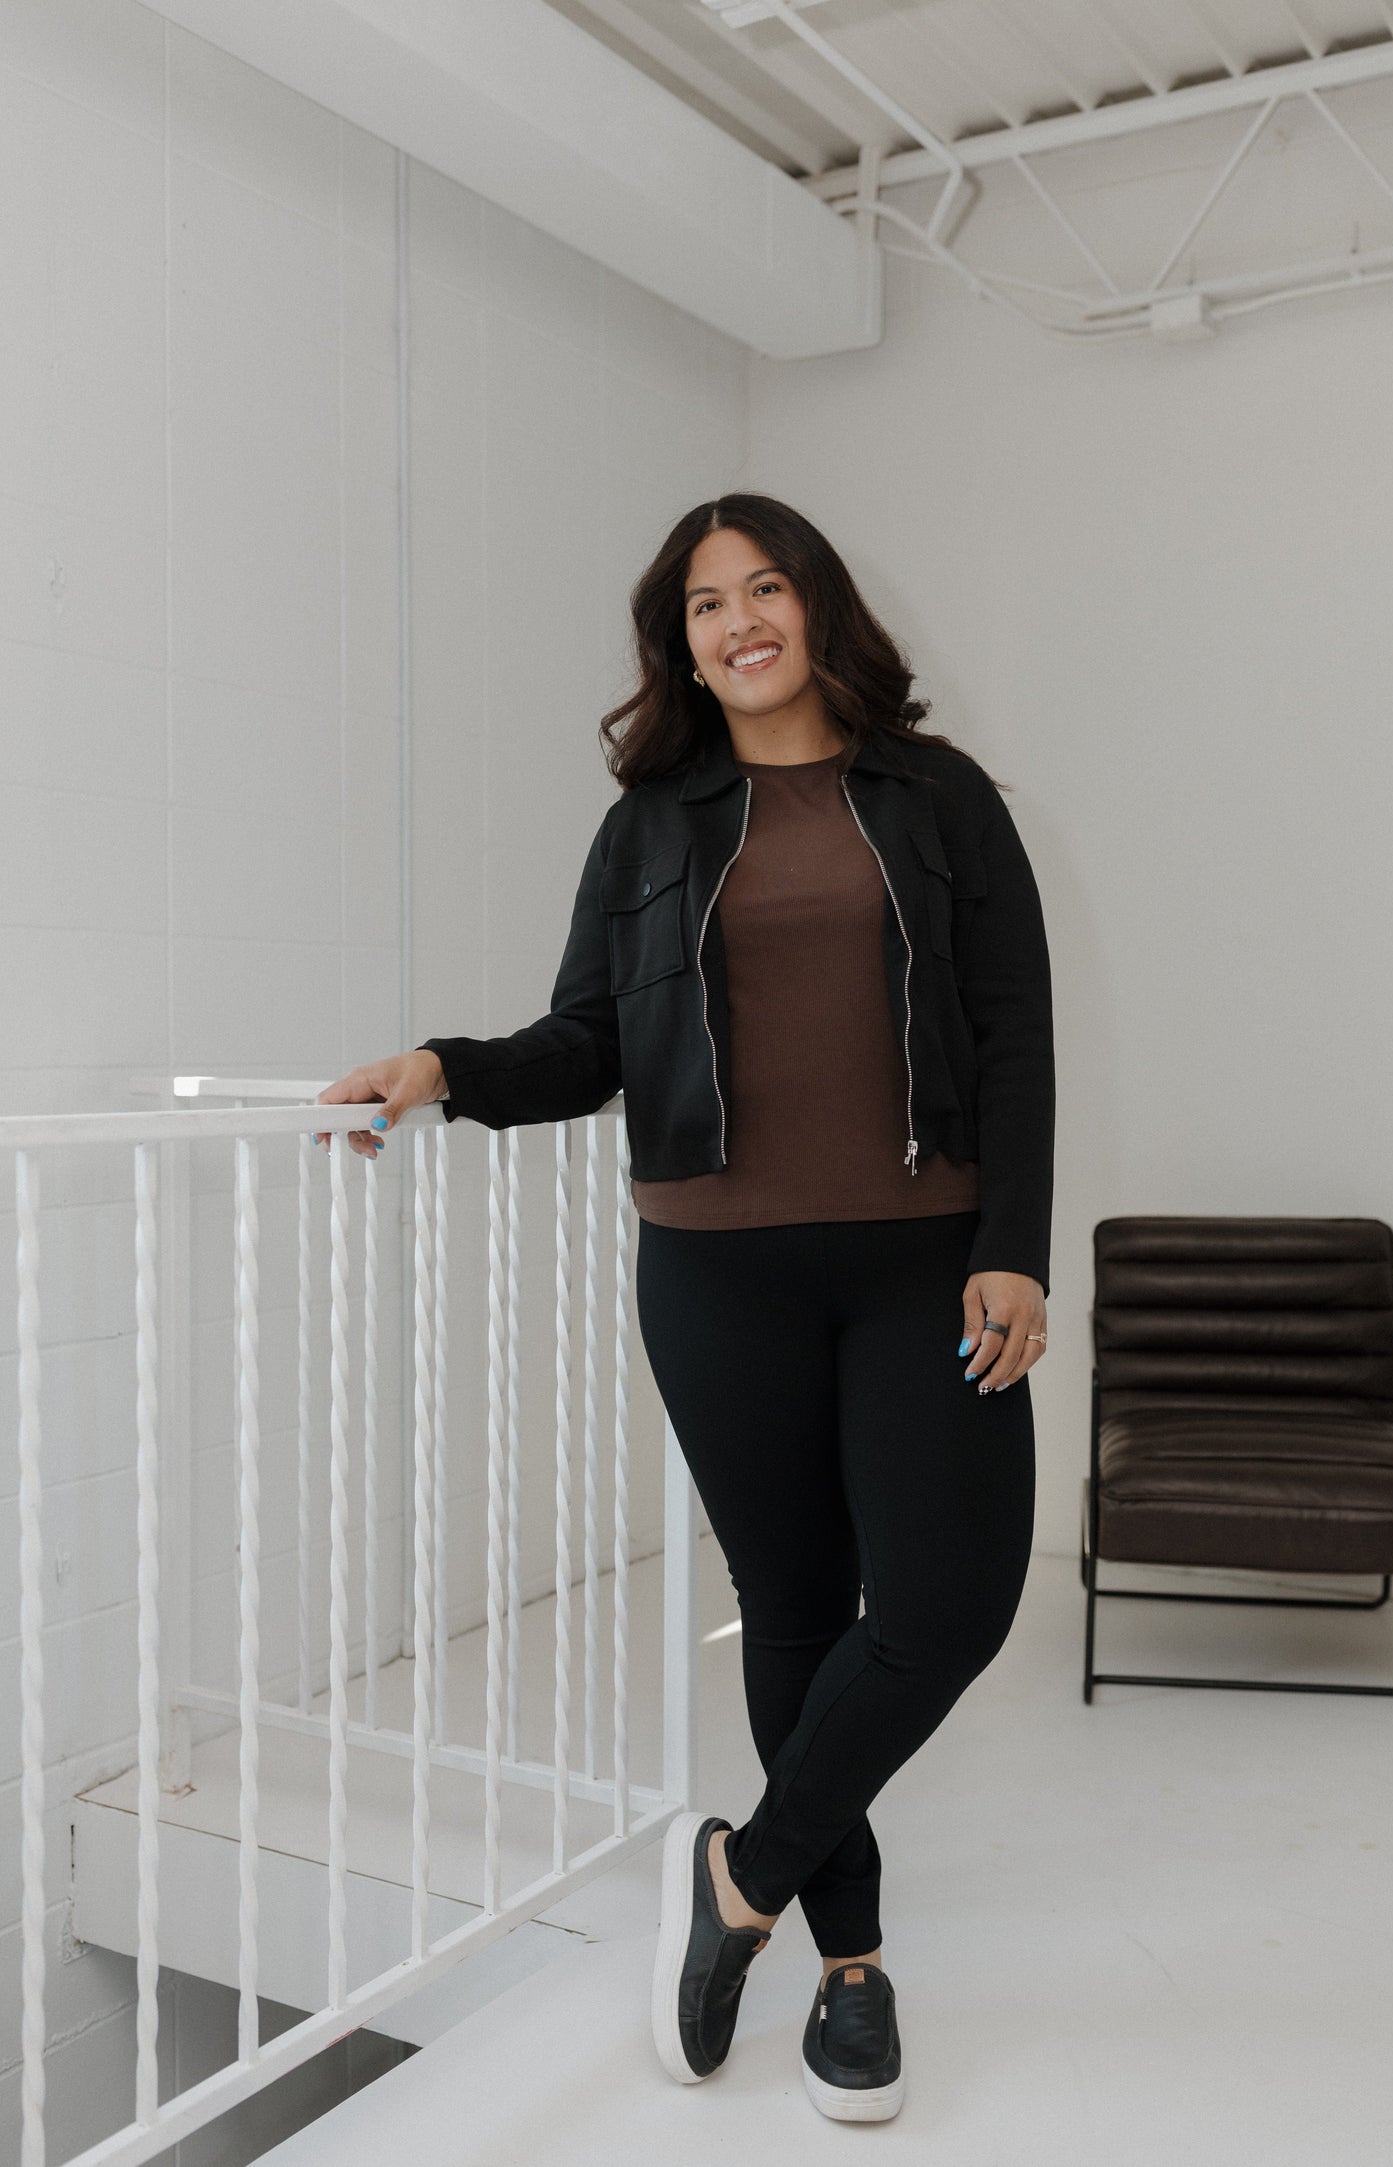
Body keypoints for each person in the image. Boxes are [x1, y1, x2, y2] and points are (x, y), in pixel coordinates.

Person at [315, 492, 1054, 2124]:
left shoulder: (937, 800)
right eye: (704, 605)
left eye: (764, 587)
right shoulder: (651, 821)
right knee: (792, 1605)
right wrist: (449, 1068)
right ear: (682, 647)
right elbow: (587, 1037)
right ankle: (848, 1968)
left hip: (925, 1256)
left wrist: (1015, 1243)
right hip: (715, 1265)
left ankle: (738, 1882)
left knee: (946, 1608)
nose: (738, 622)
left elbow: (1012, 1027)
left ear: (817, 606)